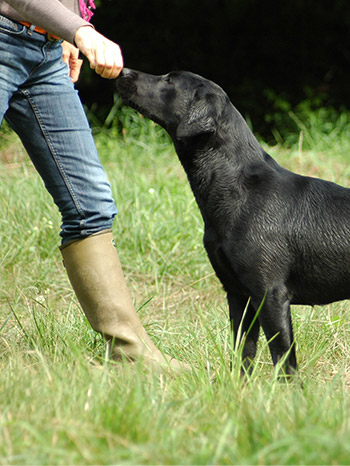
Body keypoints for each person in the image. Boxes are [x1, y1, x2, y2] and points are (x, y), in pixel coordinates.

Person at [0, 0, 187, 371]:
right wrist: (80, 31)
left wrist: (67, 27)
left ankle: (130, 353)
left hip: (47, 53)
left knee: (90, 205)